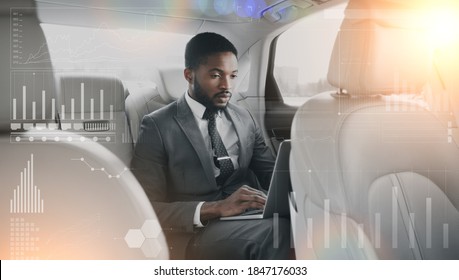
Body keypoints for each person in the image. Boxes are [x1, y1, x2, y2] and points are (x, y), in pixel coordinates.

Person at [131, 32, 290, 259]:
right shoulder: (157, 126)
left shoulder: (244, 117)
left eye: (233, 76)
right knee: (277, 233)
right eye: (216, 75)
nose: (227, 86)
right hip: (197, 231)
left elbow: (273, 176)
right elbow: (143, 208)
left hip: (249, 217)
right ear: (189, 75)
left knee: (303, 222)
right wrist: (215, 208)